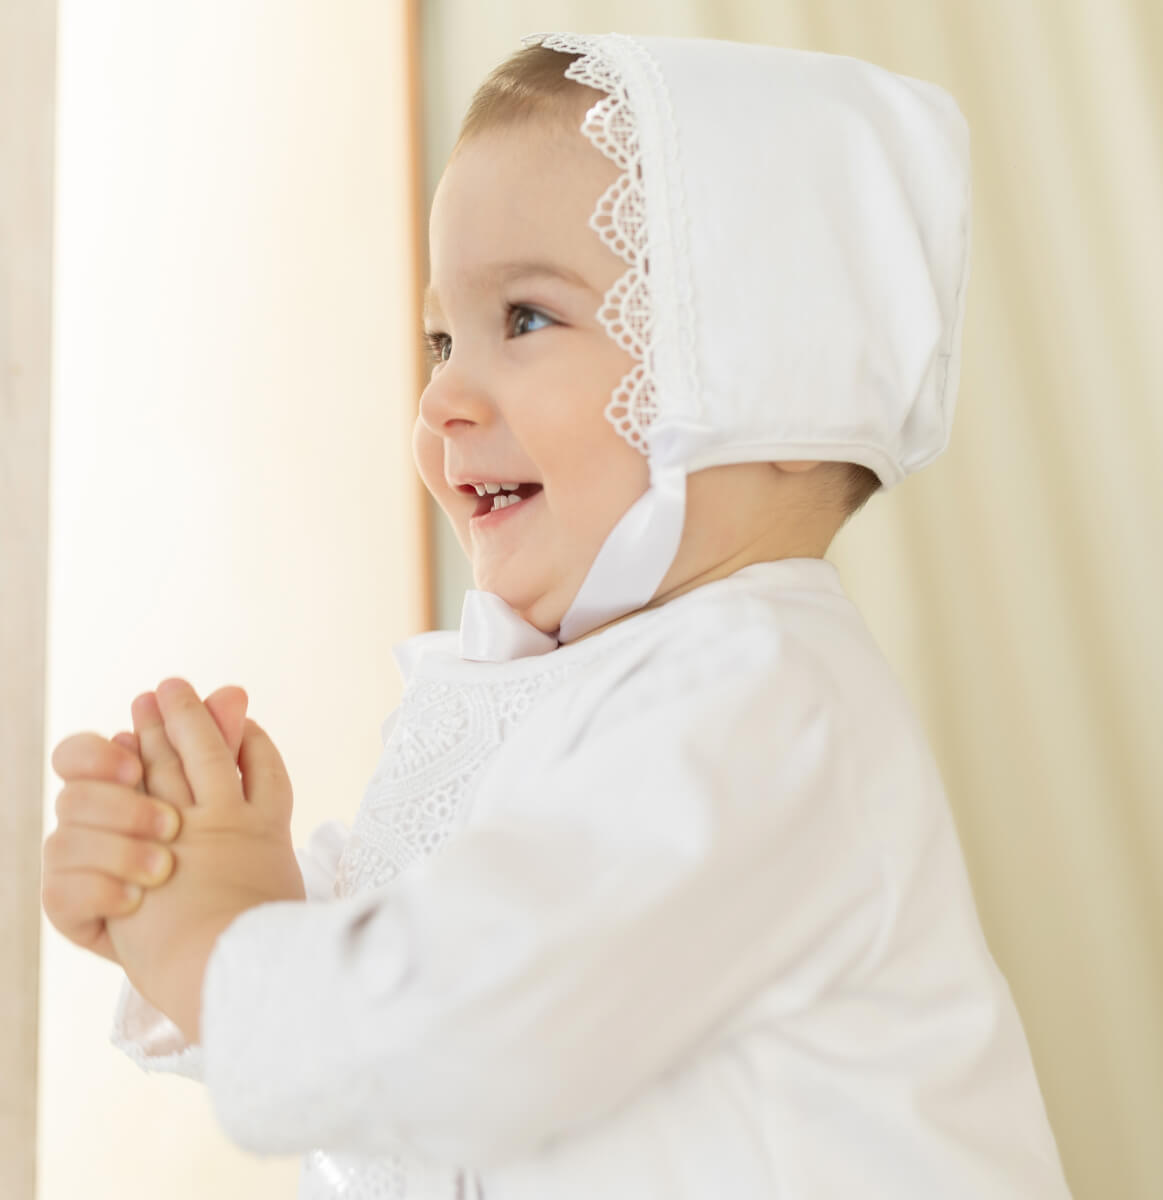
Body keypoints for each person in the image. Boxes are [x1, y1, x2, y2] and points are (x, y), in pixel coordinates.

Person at [41, 32, 1074, 1199]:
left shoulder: (763, 697)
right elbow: (414, 1116)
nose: (441, 395)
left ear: (774, 379)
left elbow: (461, 1032)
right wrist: (222, 886)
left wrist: (211, 946)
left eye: (524, 319)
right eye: (440, 338)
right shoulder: (585, 701)